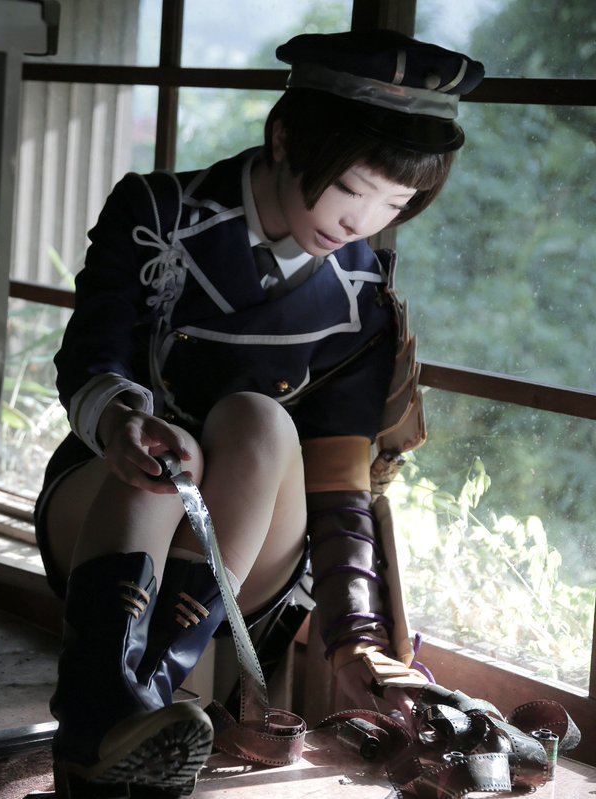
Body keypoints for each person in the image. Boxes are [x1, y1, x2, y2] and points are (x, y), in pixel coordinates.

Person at [34, 28, 485, 796]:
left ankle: (126, 711)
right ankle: (109, 711)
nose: (362, 222)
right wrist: (119, 421)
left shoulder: (360, 298)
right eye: (352, 188)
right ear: (284, 138)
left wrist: (358, 639)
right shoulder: (157, 214)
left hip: (247, 549)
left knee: (260, 419)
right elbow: (92, 354)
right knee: (176, 450)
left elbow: (340, 486)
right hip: (111, 502)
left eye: (395, 202)